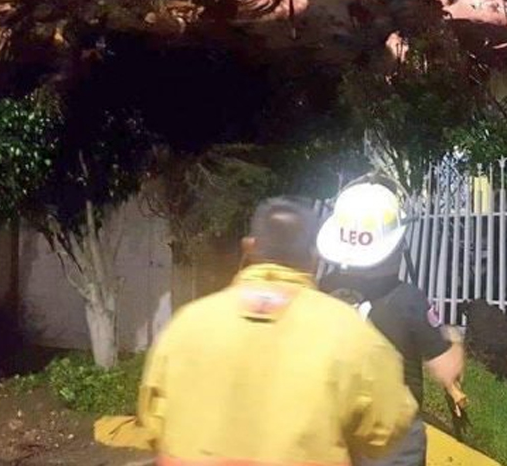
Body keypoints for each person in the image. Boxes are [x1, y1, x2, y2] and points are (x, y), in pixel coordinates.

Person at [137, 196, 417, 466]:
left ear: (248, 247)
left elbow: (152, 421)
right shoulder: (350, 331)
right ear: (313, 258)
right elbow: (390, 423)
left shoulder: (187, 325)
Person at [316, 174, 465, 466]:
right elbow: (446, 369)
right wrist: (453, 339)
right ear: (395, 243)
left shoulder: (321, 292)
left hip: (332, 429)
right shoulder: (408, 301)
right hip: (392, 438)